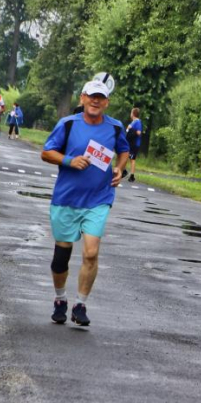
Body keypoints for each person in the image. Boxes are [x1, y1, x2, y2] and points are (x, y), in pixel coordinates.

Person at [40, 79, 129, 327]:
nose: (95, 101)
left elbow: (124, 151)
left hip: (98, 199)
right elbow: (46, 152)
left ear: (107, 102)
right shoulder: (68, 124)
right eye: (92, 96)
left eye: (101, 97)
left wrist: (119, 168)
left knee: (91, 253)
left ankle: (80, 304)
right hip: (66, 199)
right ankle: (60, 299)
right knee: (61, 257)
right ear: (82, 98)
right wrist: (70, 160)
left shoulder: (115, 127)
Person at [125, 107, 142, 182]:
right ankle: (124, 171)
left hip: (134, 144)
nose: (130, 114)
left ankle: (132, 176)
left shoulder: (137, 122)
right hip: (130, 143)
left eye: (131, 112)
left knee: (132, 159)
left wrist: (131, 128)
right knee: (126, 156)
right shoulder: (133, 122)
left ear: (133, 114)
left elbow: (139, 132)